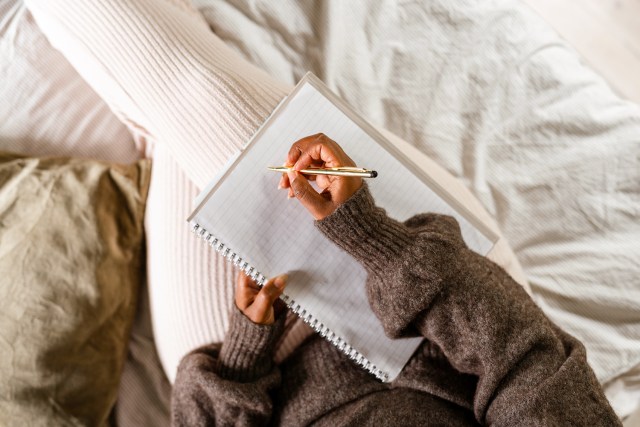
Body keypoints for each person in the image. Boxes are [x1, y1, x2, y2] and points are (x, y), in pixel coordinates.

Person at [171, 133, 621, 426]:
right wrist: (374, 238)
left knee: (178, 138)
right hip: (441, 309)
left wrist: (243, 361)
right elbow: (523, 360)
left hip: (260, 369)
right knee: (227, 118)